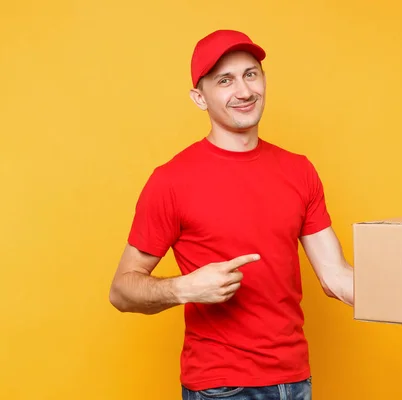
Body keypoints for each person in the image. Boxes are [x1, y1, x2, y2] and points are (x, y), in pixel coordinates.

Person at [108, 29, 354, 400]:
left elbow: (335, 276)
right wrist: (183, 288)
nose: (243, 91)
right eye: (225, 80)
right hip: (221, 387)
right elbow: (121, 290)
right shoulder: (171, 181)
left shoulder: (299, 171)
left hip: (295, 382)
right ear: (199, 97)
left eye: (250, 74)